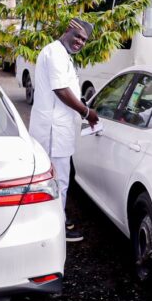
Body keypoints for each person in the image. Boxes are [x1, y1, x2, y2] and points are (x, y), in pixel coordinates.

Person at [29, 18, 99, 242]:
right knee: (57, 182)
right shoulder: (56, 53)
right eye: (77, 36)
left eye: (84, 40)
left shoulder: (61, 54)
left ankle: (54, 220)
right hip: (53, 132)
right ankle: (55, 231)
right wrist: (86, 112)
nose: (80, 42)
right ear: (67, 30)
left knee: (55, 180)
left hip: (58, 129)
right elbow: (61, 90)